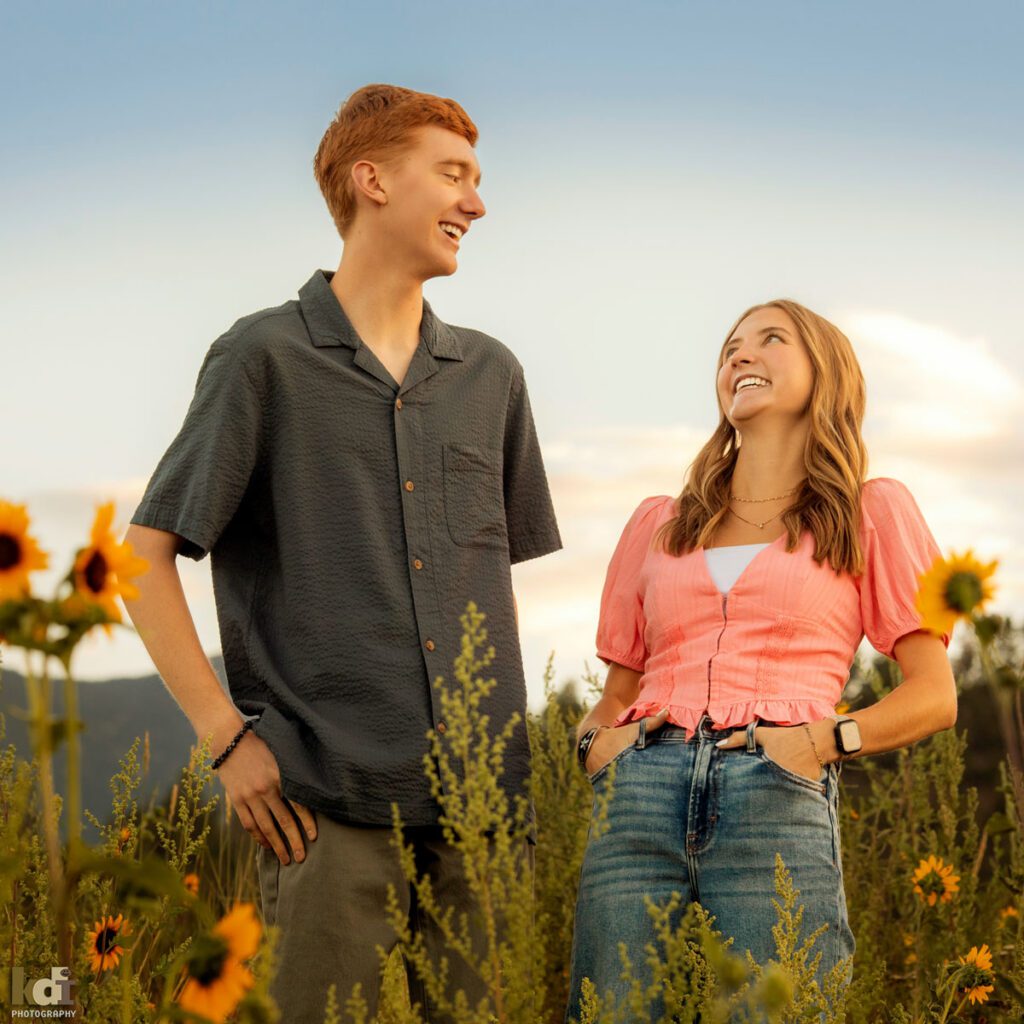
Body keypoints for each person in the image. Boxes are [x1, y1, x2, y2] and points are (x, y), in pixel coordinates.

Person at [122, 83, 562, 1023]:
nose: (476, 203)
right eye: (453, 174)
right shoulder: (261, 358)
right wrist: (225, 739)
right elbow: (144, 557)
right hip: (320, 808)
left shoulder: (493, 376)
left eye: (477, 181)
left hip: (488, 816)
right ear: (371, 180)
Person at [565, 299, 956, 1021]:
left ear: (826, 372)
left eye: (769, 339)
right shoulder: (659, 522)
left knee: (779, 1012)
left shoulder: (871, 512)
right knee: (611, 1010)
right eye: (729, 348)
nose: (740, 356)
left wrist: (820, 740)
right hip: (638, 793)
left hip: (773, 787)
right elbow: (612, 696)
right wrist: (597, 747)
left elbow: (934, 695)